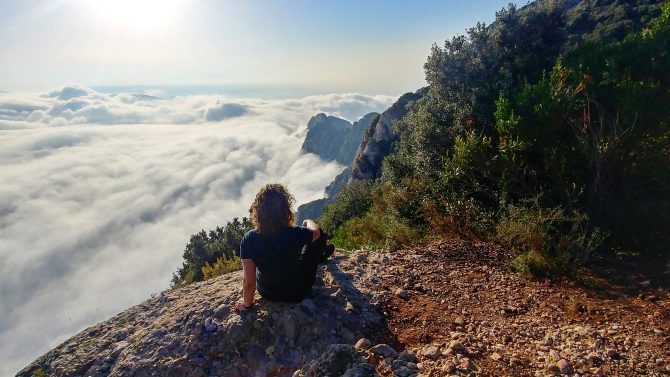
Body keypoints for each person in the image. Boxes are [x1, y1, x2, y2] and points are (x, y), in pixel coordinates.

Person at [233, 183, 333, 311]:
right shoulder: (295, 232)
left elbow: (249, 282)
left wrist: (246, 305)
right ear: (285, 209)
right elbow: (317, 233)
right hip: (298, 291)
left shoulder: (248, 239)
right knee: (317, 239)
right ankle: (320, 257)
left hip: (267, 292)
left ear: (258, 212)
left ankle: (320, 256)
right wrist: (307, 221)